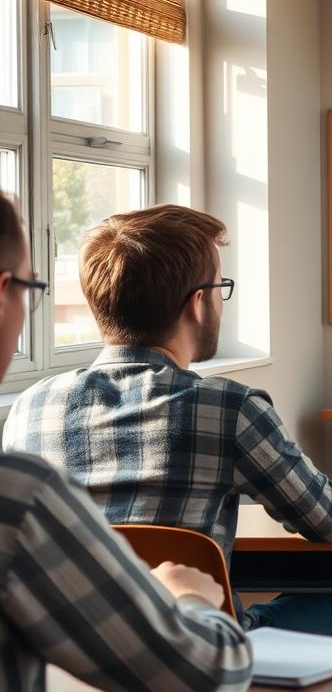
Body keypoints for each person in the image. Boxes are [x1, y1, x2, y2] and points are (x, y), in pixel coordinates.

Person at [2, 204, 332, 636]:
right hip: (195, 644)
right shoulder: (230, 408)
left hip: (68, 655)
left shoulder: (31, 406)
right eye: (220, 286)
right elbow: (326, 520)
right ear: (197, 303)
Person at [0, 195, 252, 691]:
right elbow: (200, 675)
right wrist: (188, 597)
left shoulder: (29, 405)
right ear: (197, 302)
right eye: (28, 289)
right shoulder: (17, 496)